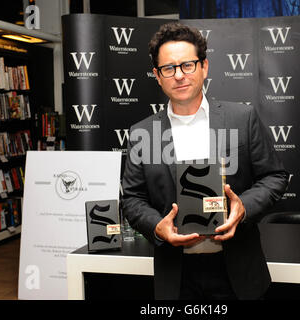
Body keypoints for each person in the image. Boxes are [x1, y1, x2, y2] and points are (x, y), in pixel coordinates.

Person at [122, 22, 288, 300]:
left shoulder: (242, 119)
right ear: (157, 75)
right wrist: (157, 227)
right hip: (176, 275)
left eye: (187, 65)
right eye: (168, 68)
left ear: (204, 67)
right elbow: (132, 199)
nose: (179, 75)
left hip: (238, 271)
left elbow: (275, 177)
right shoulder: (142, 132)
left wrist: (242, 207)